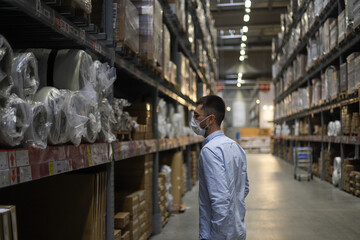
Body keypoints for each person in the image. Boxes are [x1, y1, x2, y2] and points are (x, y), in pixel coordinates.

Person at [191, 95, 249, 240]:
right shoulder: (236, 147)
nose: (193, 120)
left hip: (220, 234)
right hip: (238, 229)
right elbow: (245, 188)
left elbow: (220, 200)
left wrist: (217, 236)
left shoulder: (210, 150)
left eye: (197, 116)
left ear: (210, 119)